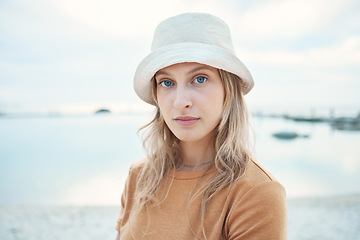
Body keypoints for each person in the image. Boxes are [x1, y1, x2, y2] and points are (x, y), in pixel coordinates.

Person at [115, 12, 287, 240]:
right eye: (167, 83)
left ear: (228, 90)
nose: (180, 102)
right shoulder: (139, 176)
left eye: (200, 79)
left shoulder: (255, 192)